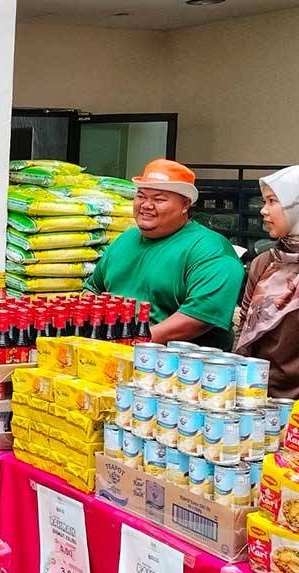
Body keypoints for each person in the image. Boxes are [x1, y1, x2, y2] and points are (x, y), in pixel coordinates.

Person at [84, 158, 244, 350]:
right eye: (141, 196)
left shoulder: (210, 249)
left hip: (177, 369)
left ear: (185, 205)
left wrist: (136, 341)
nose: (146, 205)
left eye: (158, 199)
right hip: (113, 352)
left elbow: (200, 316)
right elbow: (93, 289)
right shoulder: (125, 239)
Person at [236, 166, 299, 398]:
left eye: (273, 201)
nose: (263, 210)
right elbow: (244, 326)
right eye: (264, 201)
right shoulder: (264, 263)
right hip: (258, 395)